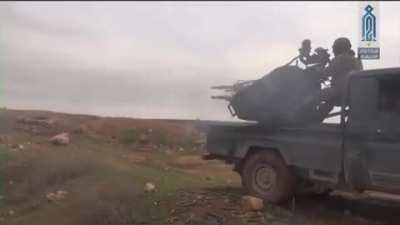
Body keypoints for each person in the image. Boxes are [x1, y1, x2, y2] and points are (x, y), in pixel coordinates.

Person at [322, 37, 363, 106]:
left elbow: (326, 73)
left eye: (334, 48)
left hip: (339, 92)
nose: (333, 51)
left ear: (339, 47)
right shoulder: (357, 60)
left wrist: (322, 63)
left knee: (315, 96)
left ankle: (311, 116)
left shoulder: (339, 58)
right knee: (328, 102)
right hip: (354, 93)